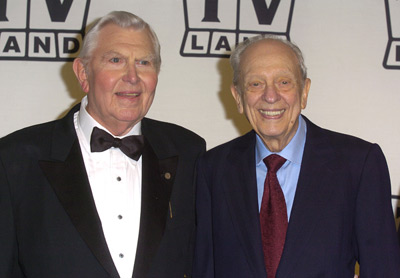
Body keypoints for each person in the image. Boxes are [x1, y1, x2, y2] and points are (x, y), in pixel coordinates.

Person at [0, 11, 205, 278]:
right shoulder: (14, 159)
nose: (132, 76)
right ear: (83, 73)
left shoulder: (190, 151)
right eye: (115, 60)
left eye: (144, 62)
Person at [192, 34, 400, 277]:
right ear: (238, 97)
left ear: (304, 91)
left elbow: (383, 270)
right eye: (256, 83)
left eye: (284, 82)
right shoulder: (213, 169)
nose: (270, 96)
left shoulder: (359, 165)